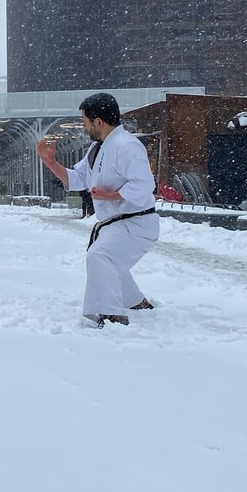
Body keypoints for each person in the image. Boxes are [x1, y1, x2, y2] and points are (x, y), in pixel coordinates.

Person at [37, 92, 159, 328]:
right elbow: (77, 178)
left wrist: (111, 196)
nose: (84, 127)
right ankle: (136, 302)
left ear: (98, 122)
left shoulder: (127, 146)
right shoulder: (96, 148)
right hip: (117, 224)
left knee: (100, 256)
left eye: (85, 121)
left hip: (137, 223)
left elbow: (144, 184)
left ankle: (111, 314)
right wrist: (50, 162)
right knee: (108, 261)